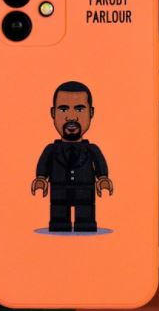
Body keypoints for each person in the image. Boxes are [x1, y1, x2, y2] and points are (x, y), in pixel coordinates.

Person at [31, 81, 113, 232]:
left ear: (91, 113)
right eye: (63, 109)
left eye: (79, 109)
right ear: (53, 113)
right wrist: (41, 178)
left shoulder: (92, 149)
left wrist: (103, 178)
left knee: (86, 211)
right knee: (59, 212)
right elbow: (44, 165)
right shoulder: (51, 149)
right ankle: (59, 224)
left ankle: (85, 224)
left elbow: (100, 164)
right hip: (59, 191)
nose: (71, 117)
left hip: (85, 191)